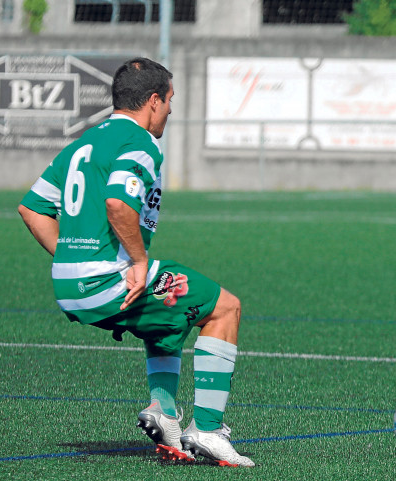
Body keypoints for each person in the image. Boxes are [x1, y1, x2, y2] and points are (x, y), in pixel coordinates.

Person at [18, 58, 255, 467]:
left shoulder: (85, 142)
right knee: (224, 308)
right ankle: (209, 430)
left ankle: (163, 412)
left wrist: (72, 256)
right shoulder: (141, 142)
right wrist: (140, 260)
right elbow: (117, 202)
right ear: (152, 101)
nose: (170, 110)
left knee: (169, 314)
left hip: (69, 287)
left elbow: (32, 208)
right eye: (169, 100)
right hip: (106, 282)